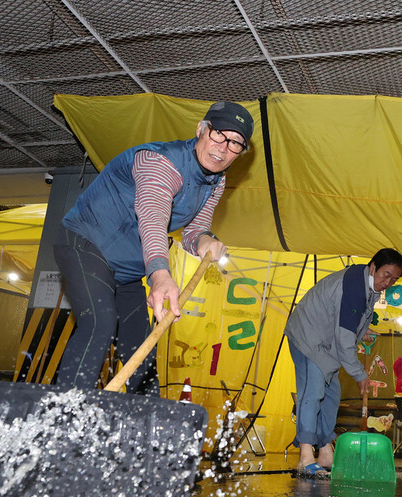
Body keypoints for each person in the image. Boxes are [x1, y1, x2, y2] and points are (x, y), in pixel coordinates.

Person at [53, 101, 253, 393]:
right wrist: (160, 273)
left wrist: (205, 241)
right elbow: (153, 214)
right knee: (100, 323)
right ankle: (63, 418)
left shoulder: (216, 182)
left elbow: (195, 229)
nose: (224, 148)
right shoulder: (160, 161)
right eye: (219, 134)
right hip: (86, 244)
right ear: (200, 129)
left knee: (141, 345)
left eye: (236, 143)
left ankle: (150, 424)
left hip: (127, 268)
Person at [285, 248, 402, 478]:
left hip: (325, 342)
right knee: (312, 393)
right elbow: (343, 337)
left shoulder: (366, 285)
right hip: (308, 338)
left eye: (394, 279)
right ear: (373, 267)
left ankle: (325, 451)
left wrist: (363, 331)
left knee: (331, 395)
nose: (388, 282)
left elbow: (345, 319)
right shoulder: (354, 287)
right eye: (386, 274)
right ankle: (305, 456)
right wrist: (360, 374)